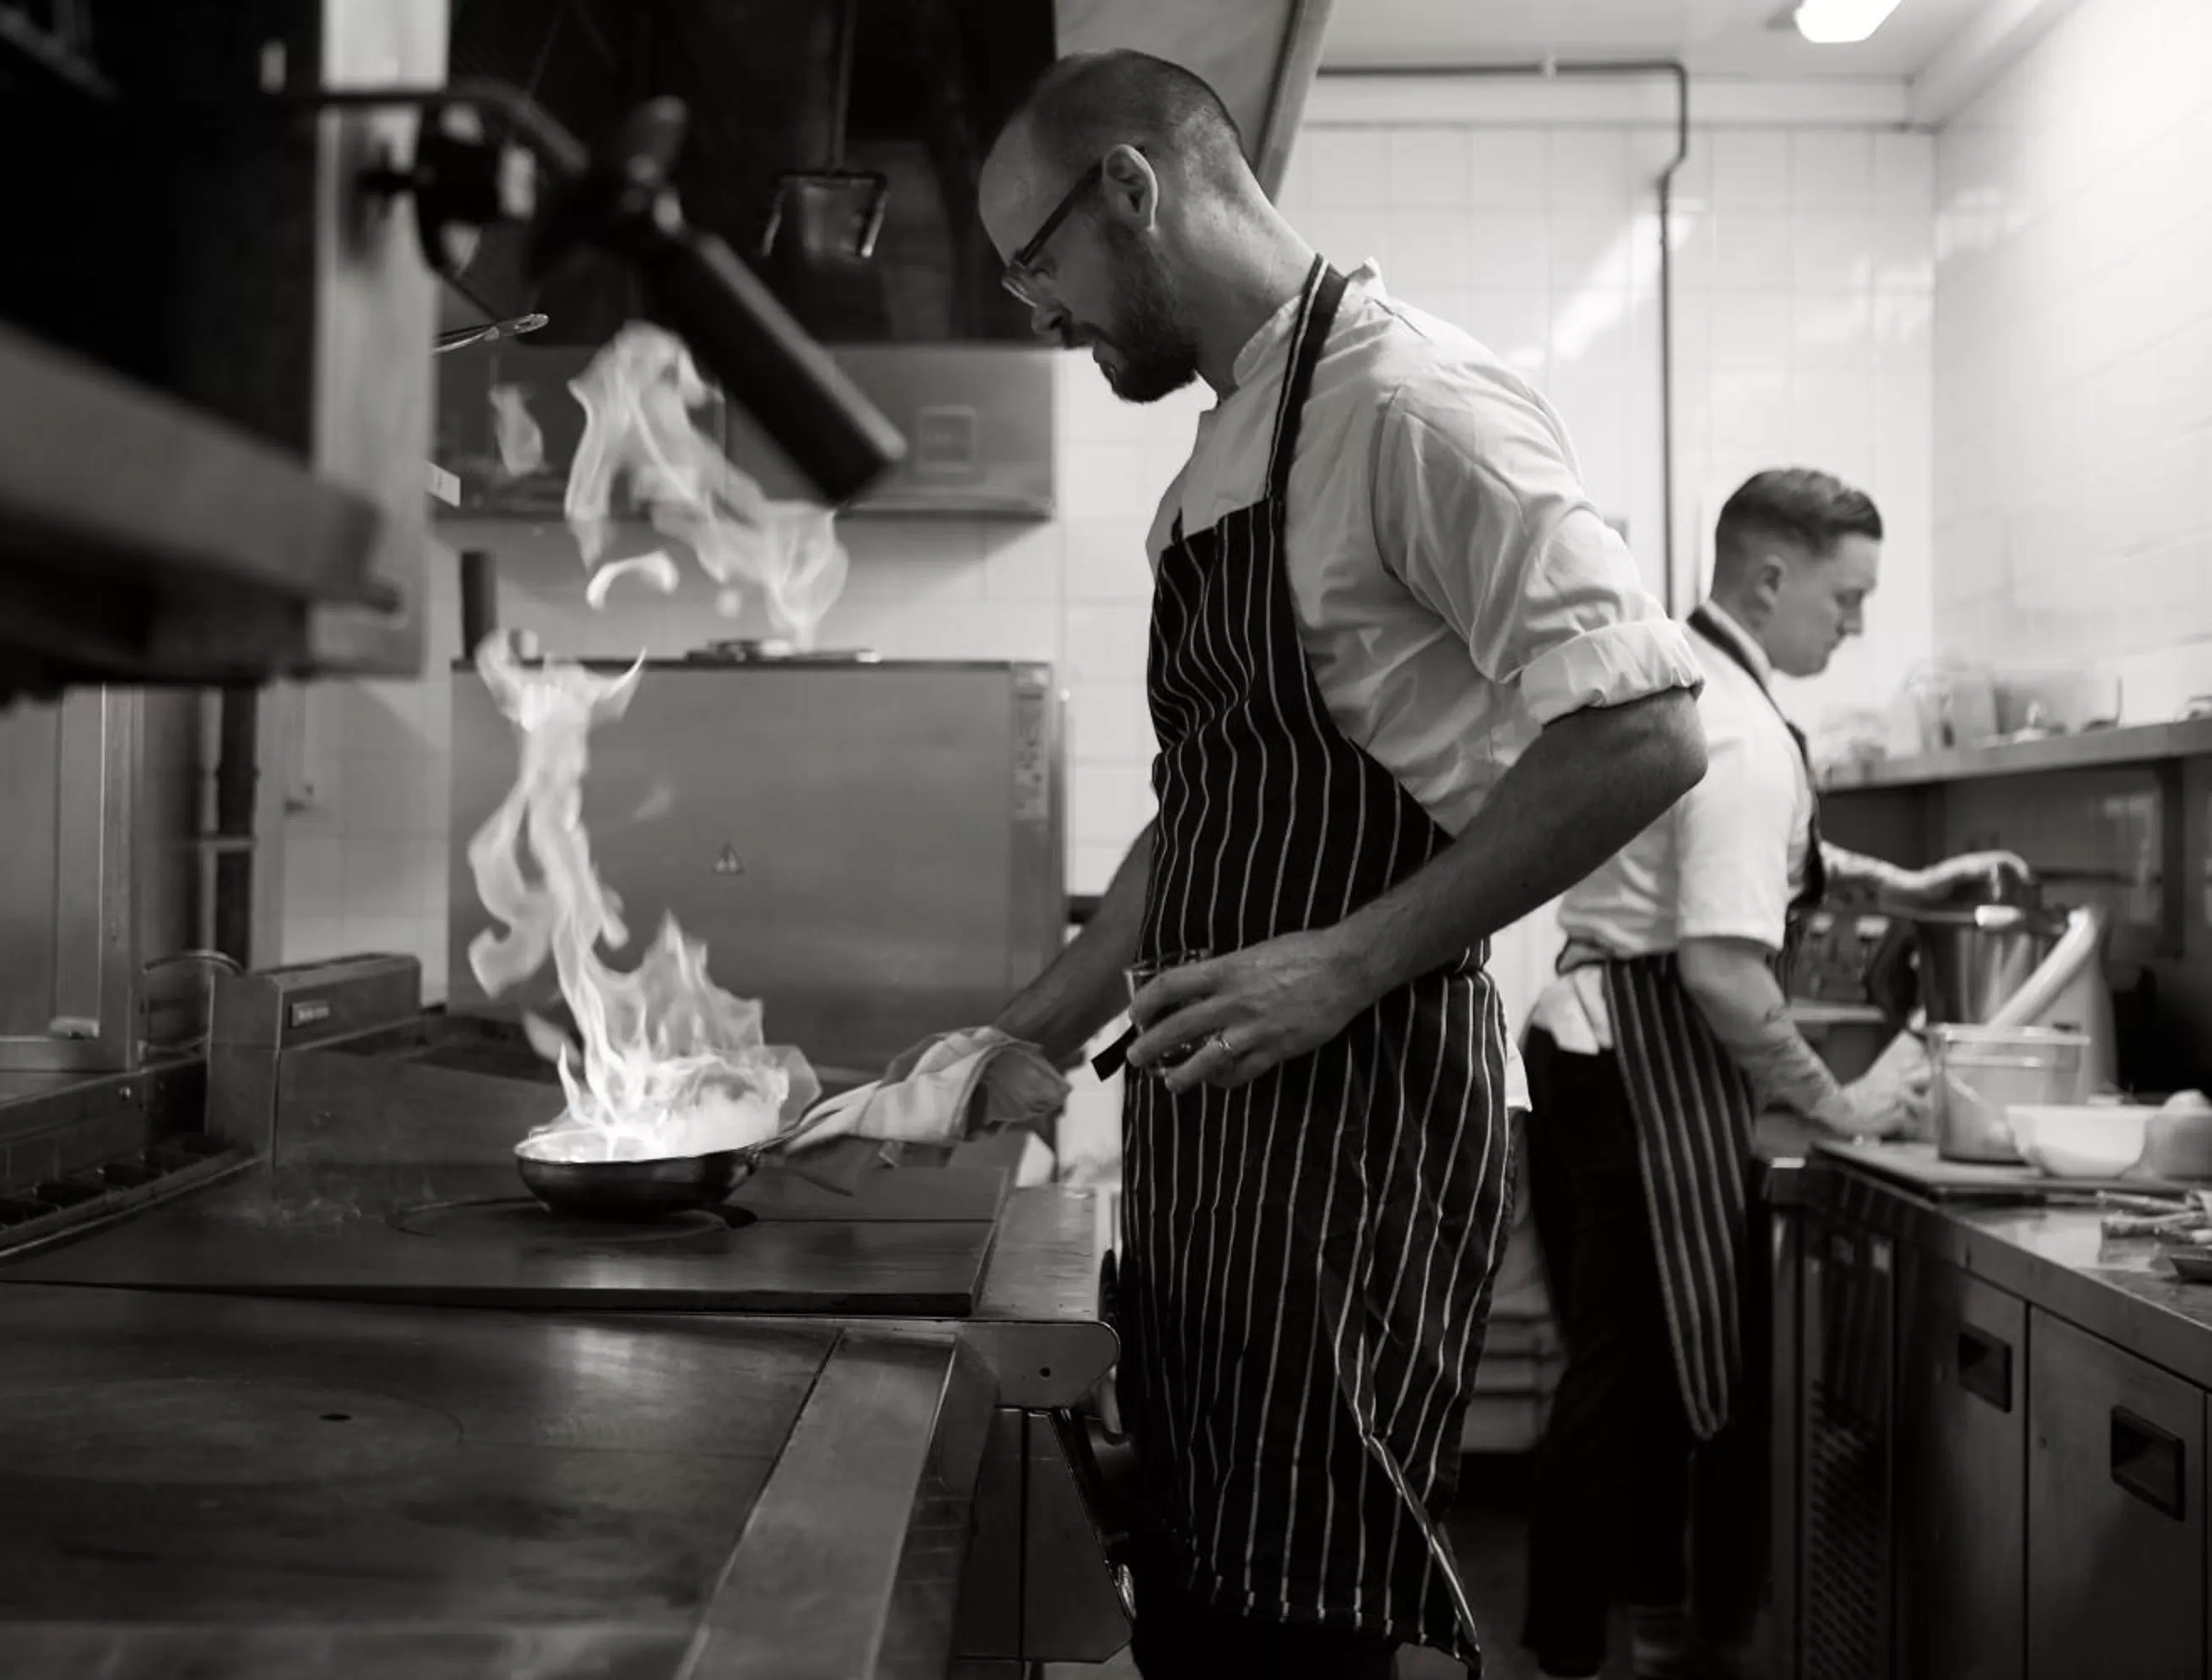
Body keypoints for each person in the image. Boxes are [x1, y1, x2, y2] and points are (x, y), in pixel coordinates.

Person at [815, 48, 1713, 1677]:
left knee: (1294, 1625)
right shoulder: (1224, 459)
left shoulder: (1407, 404)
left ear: (1133, 191)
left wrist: (1347, 960)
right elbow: (1207, 817)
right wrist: (1016, 1032)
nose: (1037, 312)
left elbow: (1646, 729)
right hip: (1217, 1144)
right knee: (1205, 1600)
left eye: (1035, 265)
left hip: (1354, 1137)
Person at [1519, 468, 2027, 1680]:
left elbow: (1767, 853)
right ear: (1769, 577)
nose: (1856, 625)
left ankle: (1631, 1635)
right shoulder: (1743, 730)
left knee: (1629, 1374)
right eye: (1847, 599)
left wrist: (1905, 884)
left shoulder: (1702, 681)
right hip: (1636, 1064)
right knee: (1636, 1379)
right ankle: (1579, 1654)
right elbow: (1724, 975)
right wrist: (1840, 1104)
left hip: (1583, 1049)